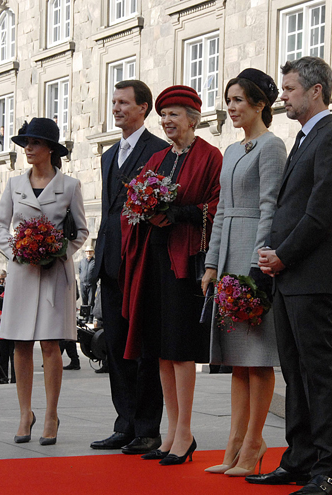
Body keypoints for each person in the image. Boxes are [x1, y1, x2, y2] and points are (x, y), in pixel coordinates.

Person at [251, 57, 332, 495]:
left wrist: (283, 256)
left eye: (290, 89)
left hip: (309, 274)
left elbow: (320, 215)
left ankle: (329, 470)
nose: (284, 96)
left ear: (316, 90)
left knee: (318, 373)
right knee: (295, 372)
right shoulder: (302, 139)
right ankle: (299, 459)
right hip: (289, 274)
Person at [120, 85, 222, 465]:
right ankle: (170, 431)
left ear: (193, 120)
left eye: (174, 115)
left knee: (180, 350)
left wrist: (178, 213)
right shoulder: (159, 158)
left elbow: (216, 204)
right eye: (163, 116)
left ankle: (185, 432)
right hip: (154, 260)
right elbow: (134, 199)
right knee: (161, 349)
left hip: (185, 261)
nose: (166, 122)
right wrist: (146, 211)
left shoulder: (211, 155)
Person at [200, 69, 286, 476]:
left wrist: (258, 264)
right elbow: (219, 213)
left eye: (238, 100)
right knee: (236, 358)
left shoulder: (272, 147)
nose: (231, 107)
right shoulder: (232, 151)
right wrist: (212, 263)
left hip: (253, 256)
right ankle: (234, 443)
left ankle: (254, 441)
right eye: (228, 100)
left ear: (260, 104)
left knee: (258, 357)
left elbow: (270, 206)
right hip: (229, 253)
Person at [0, 117, 88, 445]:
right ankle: (24, 413)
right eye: (25, 144)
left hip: (53, 274)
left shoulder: (70, 186)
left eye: (33, 143)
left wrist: (57, 249)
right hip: (21, 272)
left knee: (50, 344)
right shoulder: (14, 185)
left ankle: (50, 414)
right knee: (19, 343)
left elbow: (82, 232)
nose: (28, 149)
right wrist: (16, 250)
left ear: (49, 148)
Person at [89, 80, 168, 455]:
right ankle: (125, 424)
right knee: (116, 347)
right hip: (109, 262)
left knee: (145, 347)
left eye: (124, 103)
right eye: (114, 101)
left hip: (143, 262)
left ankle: (148, 428)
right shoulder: (108, 156)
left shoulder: (159, 150)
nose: (116, 108)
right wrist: (96, 260)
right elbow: (107, 213)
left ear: (144, 108)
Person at [0, 292, 16, 384]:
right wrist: (0, 316)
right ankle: (3, 378)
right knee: (3, 358)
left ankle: (15, 379)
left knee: (14, 358)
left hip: (14, 334)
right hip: (1, 334)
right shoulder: (1, 298)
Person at [78, 246, 97, 322]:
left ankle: (90, 318)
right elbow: (80, 270)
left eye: (90, 251)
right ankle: (85, 317)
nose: (89, 253)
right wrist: (81, 278)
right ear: (85, 252)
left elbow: (96, 273)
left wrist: (94, 280)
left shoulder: (95, 262)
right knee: (84, 301)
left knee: (91, 302)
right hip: (83, 284)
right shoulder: (82, 261)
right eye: (87, 251)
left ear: (93, 252)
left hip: (91, 284)